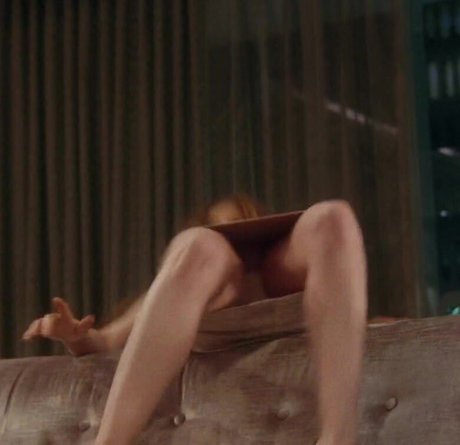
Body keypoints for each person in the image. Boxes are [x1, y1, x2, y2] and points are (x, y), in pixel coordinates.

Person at [23, 194, 367, 445]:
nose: (238, 242)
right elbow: (104, 340)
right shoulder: (192, 271)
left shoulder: (286, 266)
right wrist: (73, 335)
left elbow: (346, 312)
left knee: (333, 216)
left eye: (243, 225)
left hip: (281, 286)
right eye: (226, 230)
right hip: (206, 288)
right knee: (200, 245)